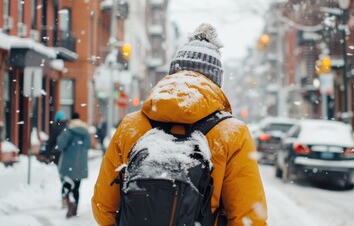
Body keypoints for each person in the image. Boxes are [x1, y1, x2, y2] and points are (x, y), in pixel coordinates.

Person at [91, 23, 268, 225]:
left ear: (173, 73)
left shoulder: (131, 125)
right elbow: (250, 219)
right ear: (216, 80)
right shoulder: (232, 133)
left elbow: (103, 207)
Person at [57, 112, 91, 218]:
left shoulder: (68, 131)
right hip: (80, 164)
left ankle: (69, 204)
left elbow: (61, 145)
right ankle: (75, 207)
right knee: (77, 187)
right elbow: (88, 146)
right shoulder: (86, 132)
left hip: (68, 163)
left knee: (66, 185)